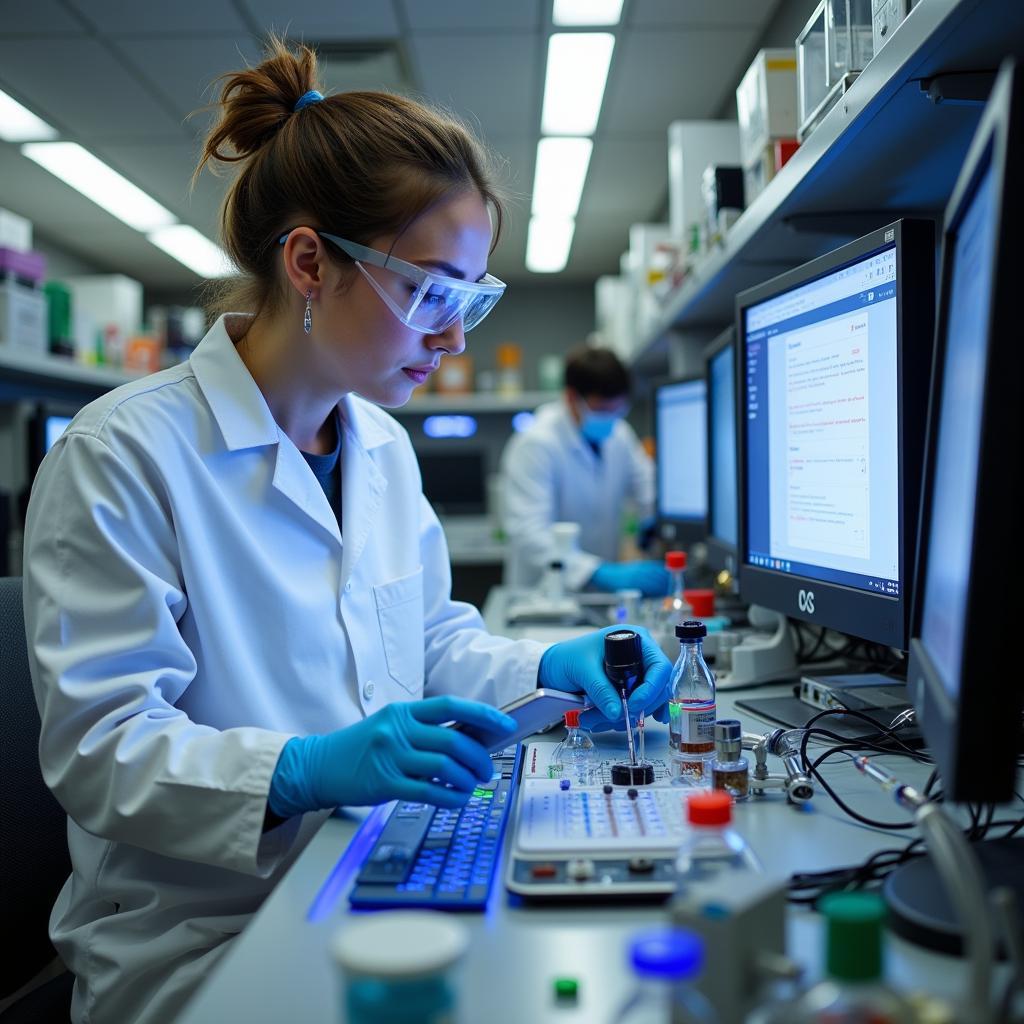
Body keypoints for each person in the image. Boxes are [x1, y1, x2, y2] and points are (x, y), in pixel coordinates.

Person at [21, 39, 672, 1024]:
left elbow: (429, 641)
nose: (454, 337)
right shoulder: (124, 452)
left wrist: (547, 666)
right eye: (430, 293)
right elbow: (100, 748)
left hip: (370, 863)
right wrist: (300, 768)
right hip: (201, 940)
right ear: (310, 261)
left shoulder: (379, 447)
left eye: (472, 299)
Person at [500, 344, 670, 595]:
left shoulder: (620, 435)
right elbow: (529, 533)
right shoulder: (535, 443)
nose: (610, 417)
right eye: (601, 409)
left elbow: (647, 486)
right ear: (571, 397)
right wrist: (595, 571)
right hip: (541, 595)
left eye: (618, 409)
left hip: (598, 596)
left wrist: (653, 519)